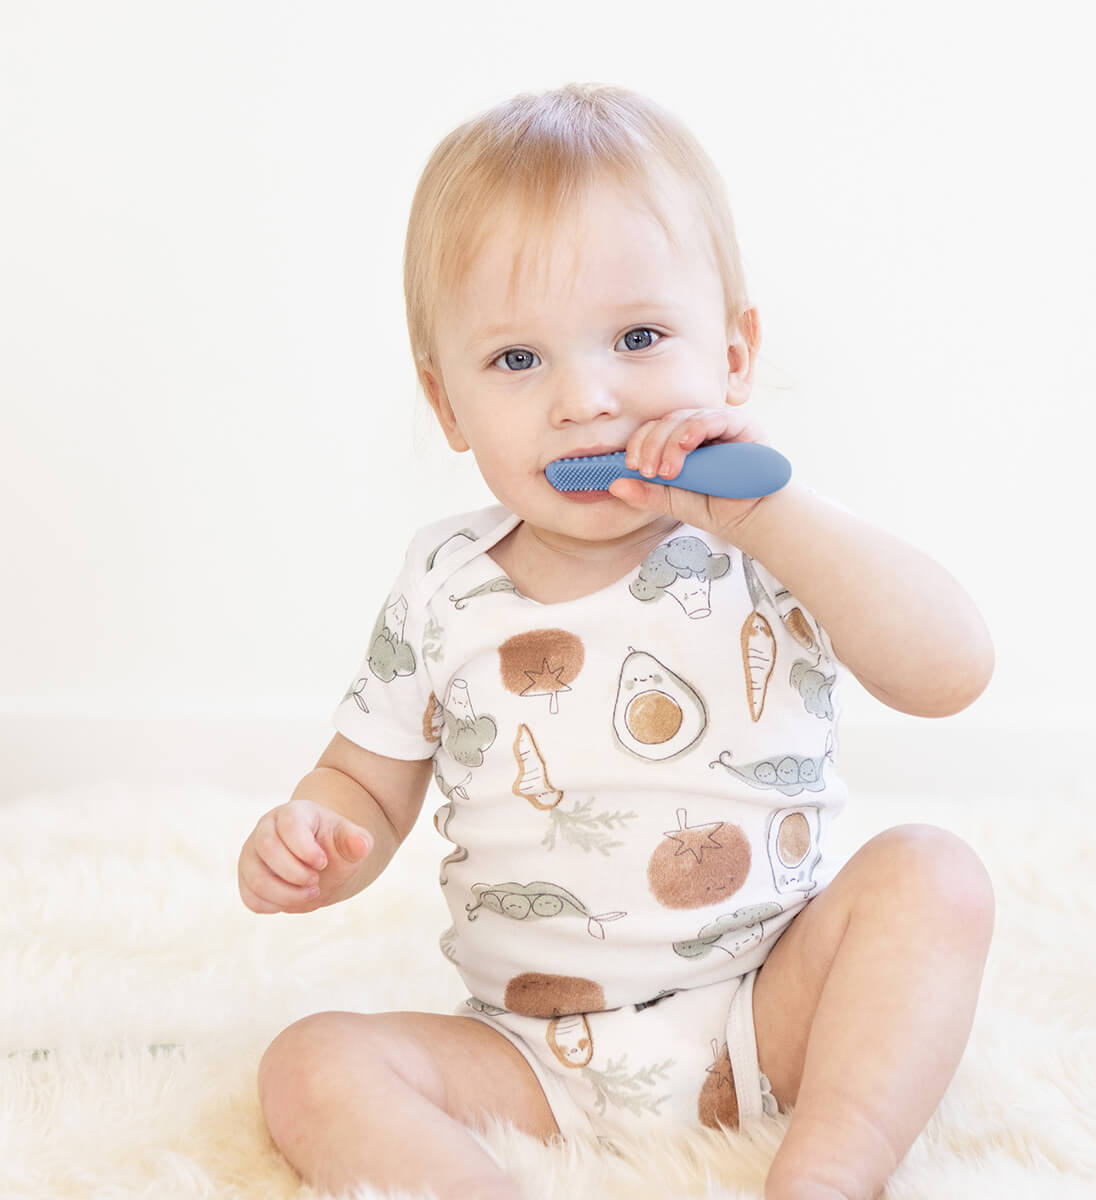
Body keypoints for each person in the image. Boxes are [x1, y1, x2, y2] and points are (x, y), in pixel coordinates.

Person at [239, 83, 996, 1200]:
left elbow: (952, 670)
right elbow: (367, 778)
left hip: (769, 1008)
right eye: (516, 361)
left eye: (639, 338)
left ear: (733, 355)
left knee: (937, 878)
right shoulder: (443, 583)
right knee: (309, 1067)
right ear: (446, 405)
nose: (586, 400)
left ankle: (835, 1159)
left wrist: (780, 517)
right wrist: (316, 832)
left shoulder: (770, 540)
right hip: (530, 1057)